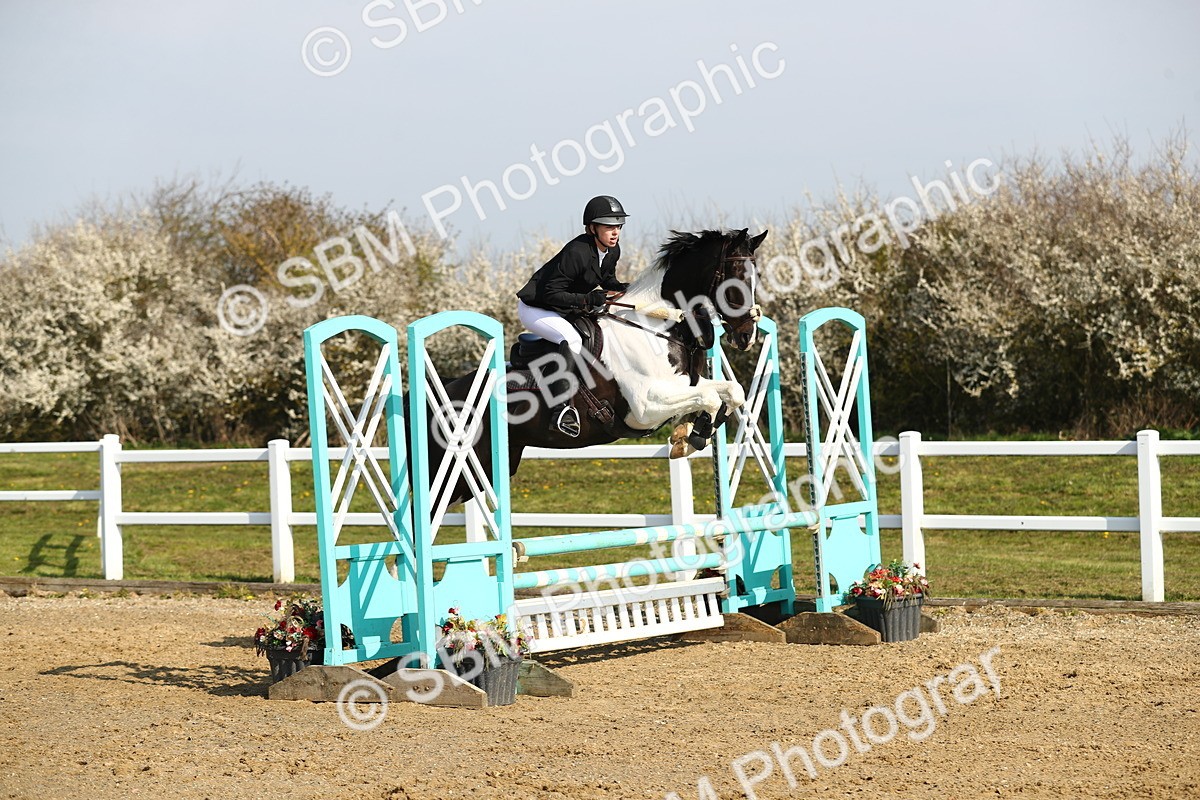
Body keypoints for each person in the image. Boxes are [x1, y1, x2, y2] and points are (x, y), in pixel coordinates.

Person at [516, 195, 630, 437]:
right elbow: (550, 293)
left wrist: (626, 288)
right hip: (537, 308)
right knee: (573, 339)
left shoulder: (612, 251)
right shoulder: (577, 252)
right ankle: (561, 410)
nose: (615, 232)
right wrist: (588, 299)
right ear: (592, 228)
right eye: (609, 226)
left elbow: (606, 280)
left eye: (618, 226)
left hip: (563, 308)